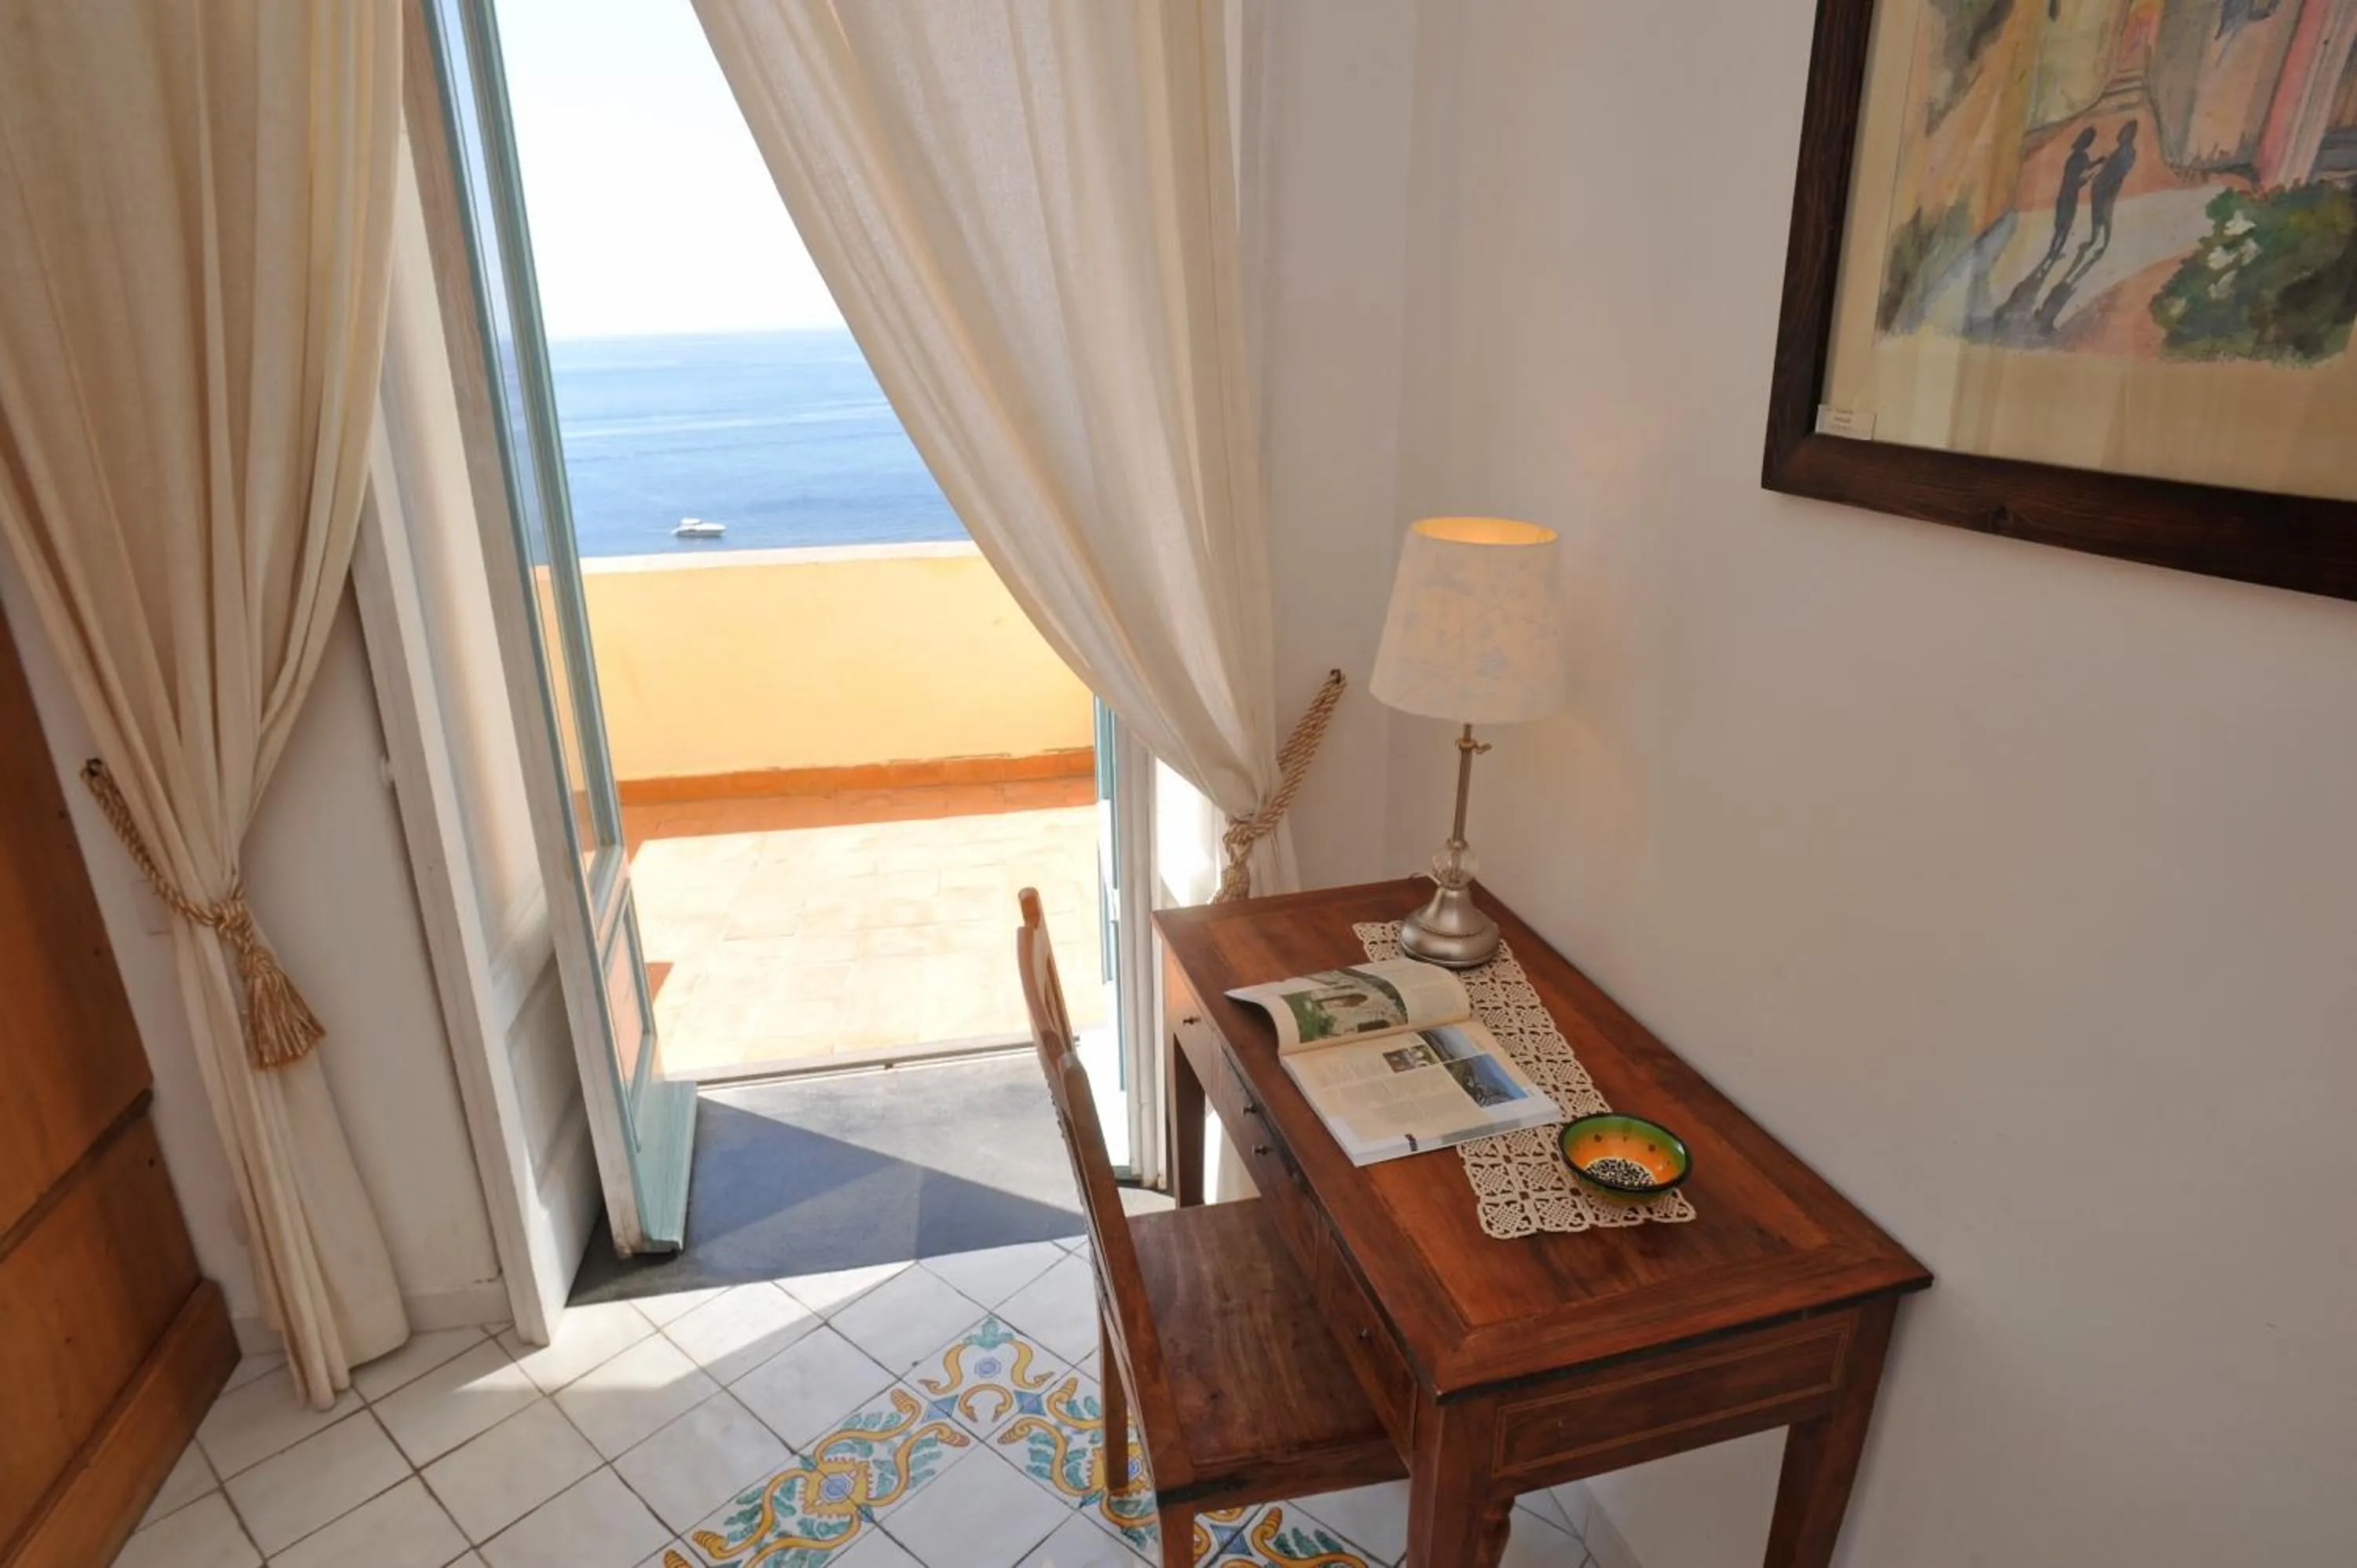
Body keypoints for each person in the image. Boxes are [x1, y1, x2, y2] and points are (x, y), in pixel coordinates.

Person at [2045, 127, 2100, 263]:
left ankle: (2052, 251)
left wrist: (2095, 164)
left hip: (2063, 194)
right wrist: (2087, 179)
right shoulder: (2082, 158)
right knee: (2065, 227)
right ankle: (2055, 253)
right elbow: (2078, 179)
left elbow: (2078, 173)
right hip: (2070, 197)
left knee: (2059, 227)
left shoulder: (2073, 157)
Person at [2084, 121, 2138, 254]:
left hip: (2108, 187)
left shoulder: (2127, 152)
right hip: (2103, 185)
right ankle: (2094, 240)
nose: (2121, 133)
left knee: (2105, 215)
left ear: (2130, 134)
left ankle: (2103, 245)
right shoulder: (2123, 151)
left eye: (2125, 131)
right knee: (2099, 214)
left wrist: (2101, 181)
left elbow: (2117, 172)